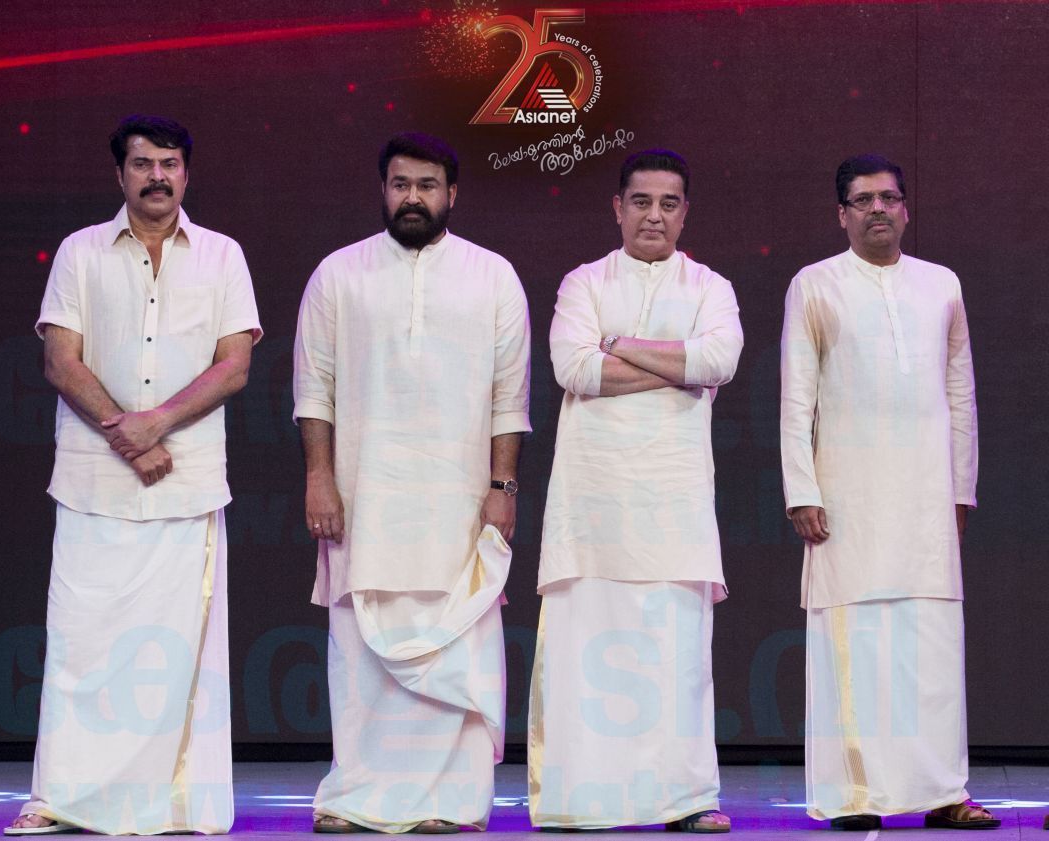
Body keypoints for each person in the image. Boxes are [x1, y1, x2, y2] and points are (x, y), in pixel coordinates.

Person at [7, 115, 262, 836]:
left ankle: (179, 803)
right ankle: (61, 800)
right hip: (94, 483)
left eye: (170, 164)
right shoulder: (80, 251)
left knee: (176, 655)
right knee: (82, 648)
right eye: (143, 164)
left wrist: (158, 424)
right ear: (119, 174)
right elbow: (60, 360)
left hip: (187, 485)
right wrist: (128, 433)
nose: (157, 177)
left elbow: (235, 365)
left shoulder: (223, 256)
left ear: (187, 173)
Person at [293, 132, 531, 834]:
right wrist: (319, 478)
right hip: (364, 494)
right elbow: (315, 390)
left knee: (457, 643)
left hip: (459, 499)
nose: (413, 198)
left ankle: (451, 803)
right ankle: (357, 795)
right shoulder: (338, 273)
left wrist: (503, 487)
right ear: (383, 189)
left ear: (452, 193)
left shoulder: (494, 276)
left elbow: (509, 397)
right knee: (360, 653)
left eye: (427, 186)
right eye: (400, 185)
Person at [529, 149, 742, 832]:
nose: (654, 215)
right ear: (617, 207)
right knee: (585, 651)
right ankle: (581, 798)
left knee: (676, 658)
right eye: (641, 201)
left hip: (674, 502)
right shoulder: (584, 282)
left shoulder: (710, 286)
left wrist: (619, 344)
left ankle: (684, 800)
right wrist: (678, 366)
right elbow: (574, 369)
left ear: (685, 213)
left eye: (668, 203)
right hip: (593, 503)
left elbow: (720, 360)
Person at [780, 154, 995, 831]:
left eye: (889, 198)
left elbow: (960, 392)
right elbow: (796, 397)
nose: (878, 209)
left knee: (932, 647)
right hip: (846, 499)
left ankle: (943, 791)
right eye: (863, 199)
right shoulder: (815, 285)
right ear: (841, 214)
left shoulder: (942, 285)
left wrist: (961, 488)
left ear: (905, 210)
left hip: (927, 496)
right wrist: (801, 488)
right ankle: (854, 795)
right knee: (857, 643)